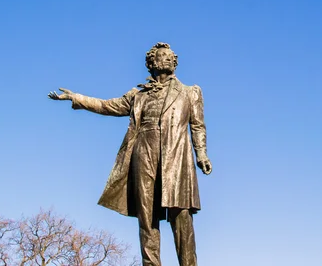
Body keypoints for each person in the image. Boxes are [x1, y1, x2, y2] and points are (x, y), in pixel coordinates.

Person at [48, 42, 212, 266]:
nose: (164, 59)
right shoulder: (138, 95)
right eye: (159, 56)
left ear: (174, 62)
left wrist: (201, 154)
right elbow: (107, 105)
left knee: (181, 215)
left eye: (169, 56)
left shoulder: (189, 92)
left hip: (177, 157)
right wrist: (77, 98)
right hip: (143, 153)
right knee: (147, 217)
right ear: (150, 63)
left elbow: (197, 125)